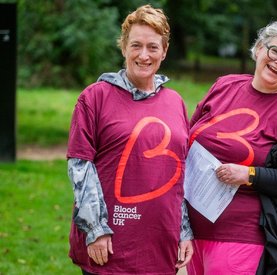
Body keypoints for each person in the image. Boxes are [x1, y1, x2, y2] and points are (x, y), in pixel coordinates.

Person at [185, 12, 277, 275]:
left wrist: (250, 175)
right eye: (275, 50)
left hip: (242, 237)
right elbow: (188, 136)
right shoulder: (225, 85)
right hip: (194, 232)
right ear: (259, 48)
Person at [66, 5, 193, 274]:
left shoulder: (175, 102)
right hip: (110, 246)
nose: (144, 55)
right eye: (136, 45)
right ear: (123, 47)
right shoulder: (95, 97)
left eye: (152, 47)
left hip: (160, 243)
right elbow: (80, 166)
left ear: (165, 51)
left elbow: (181, 173)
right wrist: (96, 229)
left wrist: (184, 230)